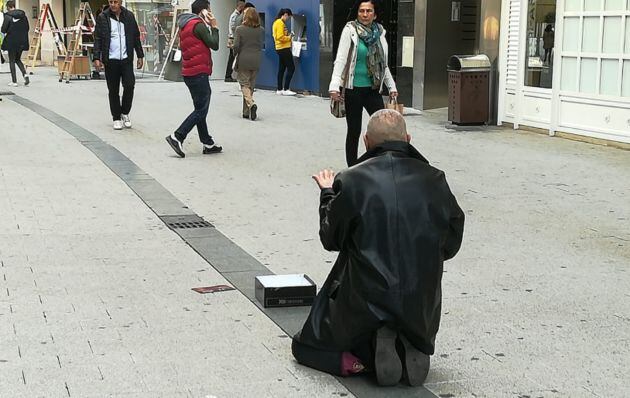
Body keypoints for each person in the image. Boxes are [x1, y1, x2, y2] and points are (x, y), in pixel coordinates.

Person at [292, 109, 465, 387]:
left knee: (303, 345)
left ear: (365, 141)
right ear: (408, 139)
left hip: (366, 301)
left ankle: (368, 359)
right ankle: (410, 339)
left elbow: (331, 239)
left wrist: (327, 193)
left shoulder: (350, 180)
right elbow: (452, 241)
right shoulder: (435, 179)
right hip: (420, 303)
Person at [329, 0, 398, 167]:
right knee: (354, 131)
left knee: (384, 129)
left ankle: (381, 163)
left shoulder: (380, 33)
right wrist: (334, 85)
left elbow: (383, 64)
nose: (365, 14)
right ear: (357, 13)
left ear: (375, 14)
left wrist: (392, 87)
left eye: (368, 11)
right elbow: (341, 60)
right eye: (362, 11)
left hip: (373, 89)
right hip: (353, 89)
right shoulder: (350, 30)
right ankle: (352, 168)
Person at [165, 0, 222, 158]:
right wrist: (214, 26)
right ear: (204, 11)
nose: (211, 12)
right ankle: (178, 136)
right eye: (209, 9)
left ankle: (207, 142)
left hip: (189, 72)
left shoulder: (185, 24)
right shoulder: (198, 25)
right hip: (199, 72)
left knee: (199, 108)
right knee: (201, 109)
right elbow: (214, 44)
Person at [93, 0, 144, 130]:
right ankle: (116, 117)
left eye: (116, 2)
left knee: (129, 85)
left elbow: (135, 36)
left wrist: (140, 55)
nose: (113, 4)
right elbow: (98, 38)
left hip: (126, 59)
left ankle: (125, 112)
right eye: (111, 1)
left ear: (120, 2)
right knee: (113, 90)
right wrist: (96, 57)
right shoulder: (103, 17)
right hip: (111, 60)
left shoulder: (129, 16)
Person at [233, 7, 263, 120]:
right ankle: (246, 112)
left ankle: (251, 103)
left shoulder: (239, 29)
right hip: (256, 59)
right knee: (251, 85)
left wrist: (234, 54)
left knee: (244, 84)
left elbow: (236, 46)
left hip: (244, 59)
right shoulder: (261, 30)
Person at [1, 0, 29, 87]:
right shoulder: (23, 16)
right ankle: (25, 74)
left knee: (12, 60)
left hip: (12, 42)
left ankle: (14, 81)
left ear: (8, 7)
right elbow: (27, 28)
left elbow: (3, 30)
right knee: (18, 59)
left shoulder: (8, 16)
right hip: (22, 42)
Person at [272, 8, 296, 96]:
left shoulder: (278, 22)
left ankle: (279, 89)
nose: (288, 19)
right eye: (288, 17)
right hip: (283, 48)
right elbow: (280, 37)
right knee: (291, 68)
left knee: (281, 69)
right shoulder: (279, 23)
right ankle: (286, 88)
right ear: (285, 14)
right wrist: (290, 37)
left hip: (280, 48)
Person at [225, 0, 245, 82]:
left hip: (234, 38)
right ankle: (228, 75)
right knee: (232, 58)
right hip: (234, 39)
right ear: (240, 5)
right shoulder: (234, 16)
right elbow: (234, 28)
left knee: (233, 57)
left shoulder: (236, 15)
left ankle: (229, 75)